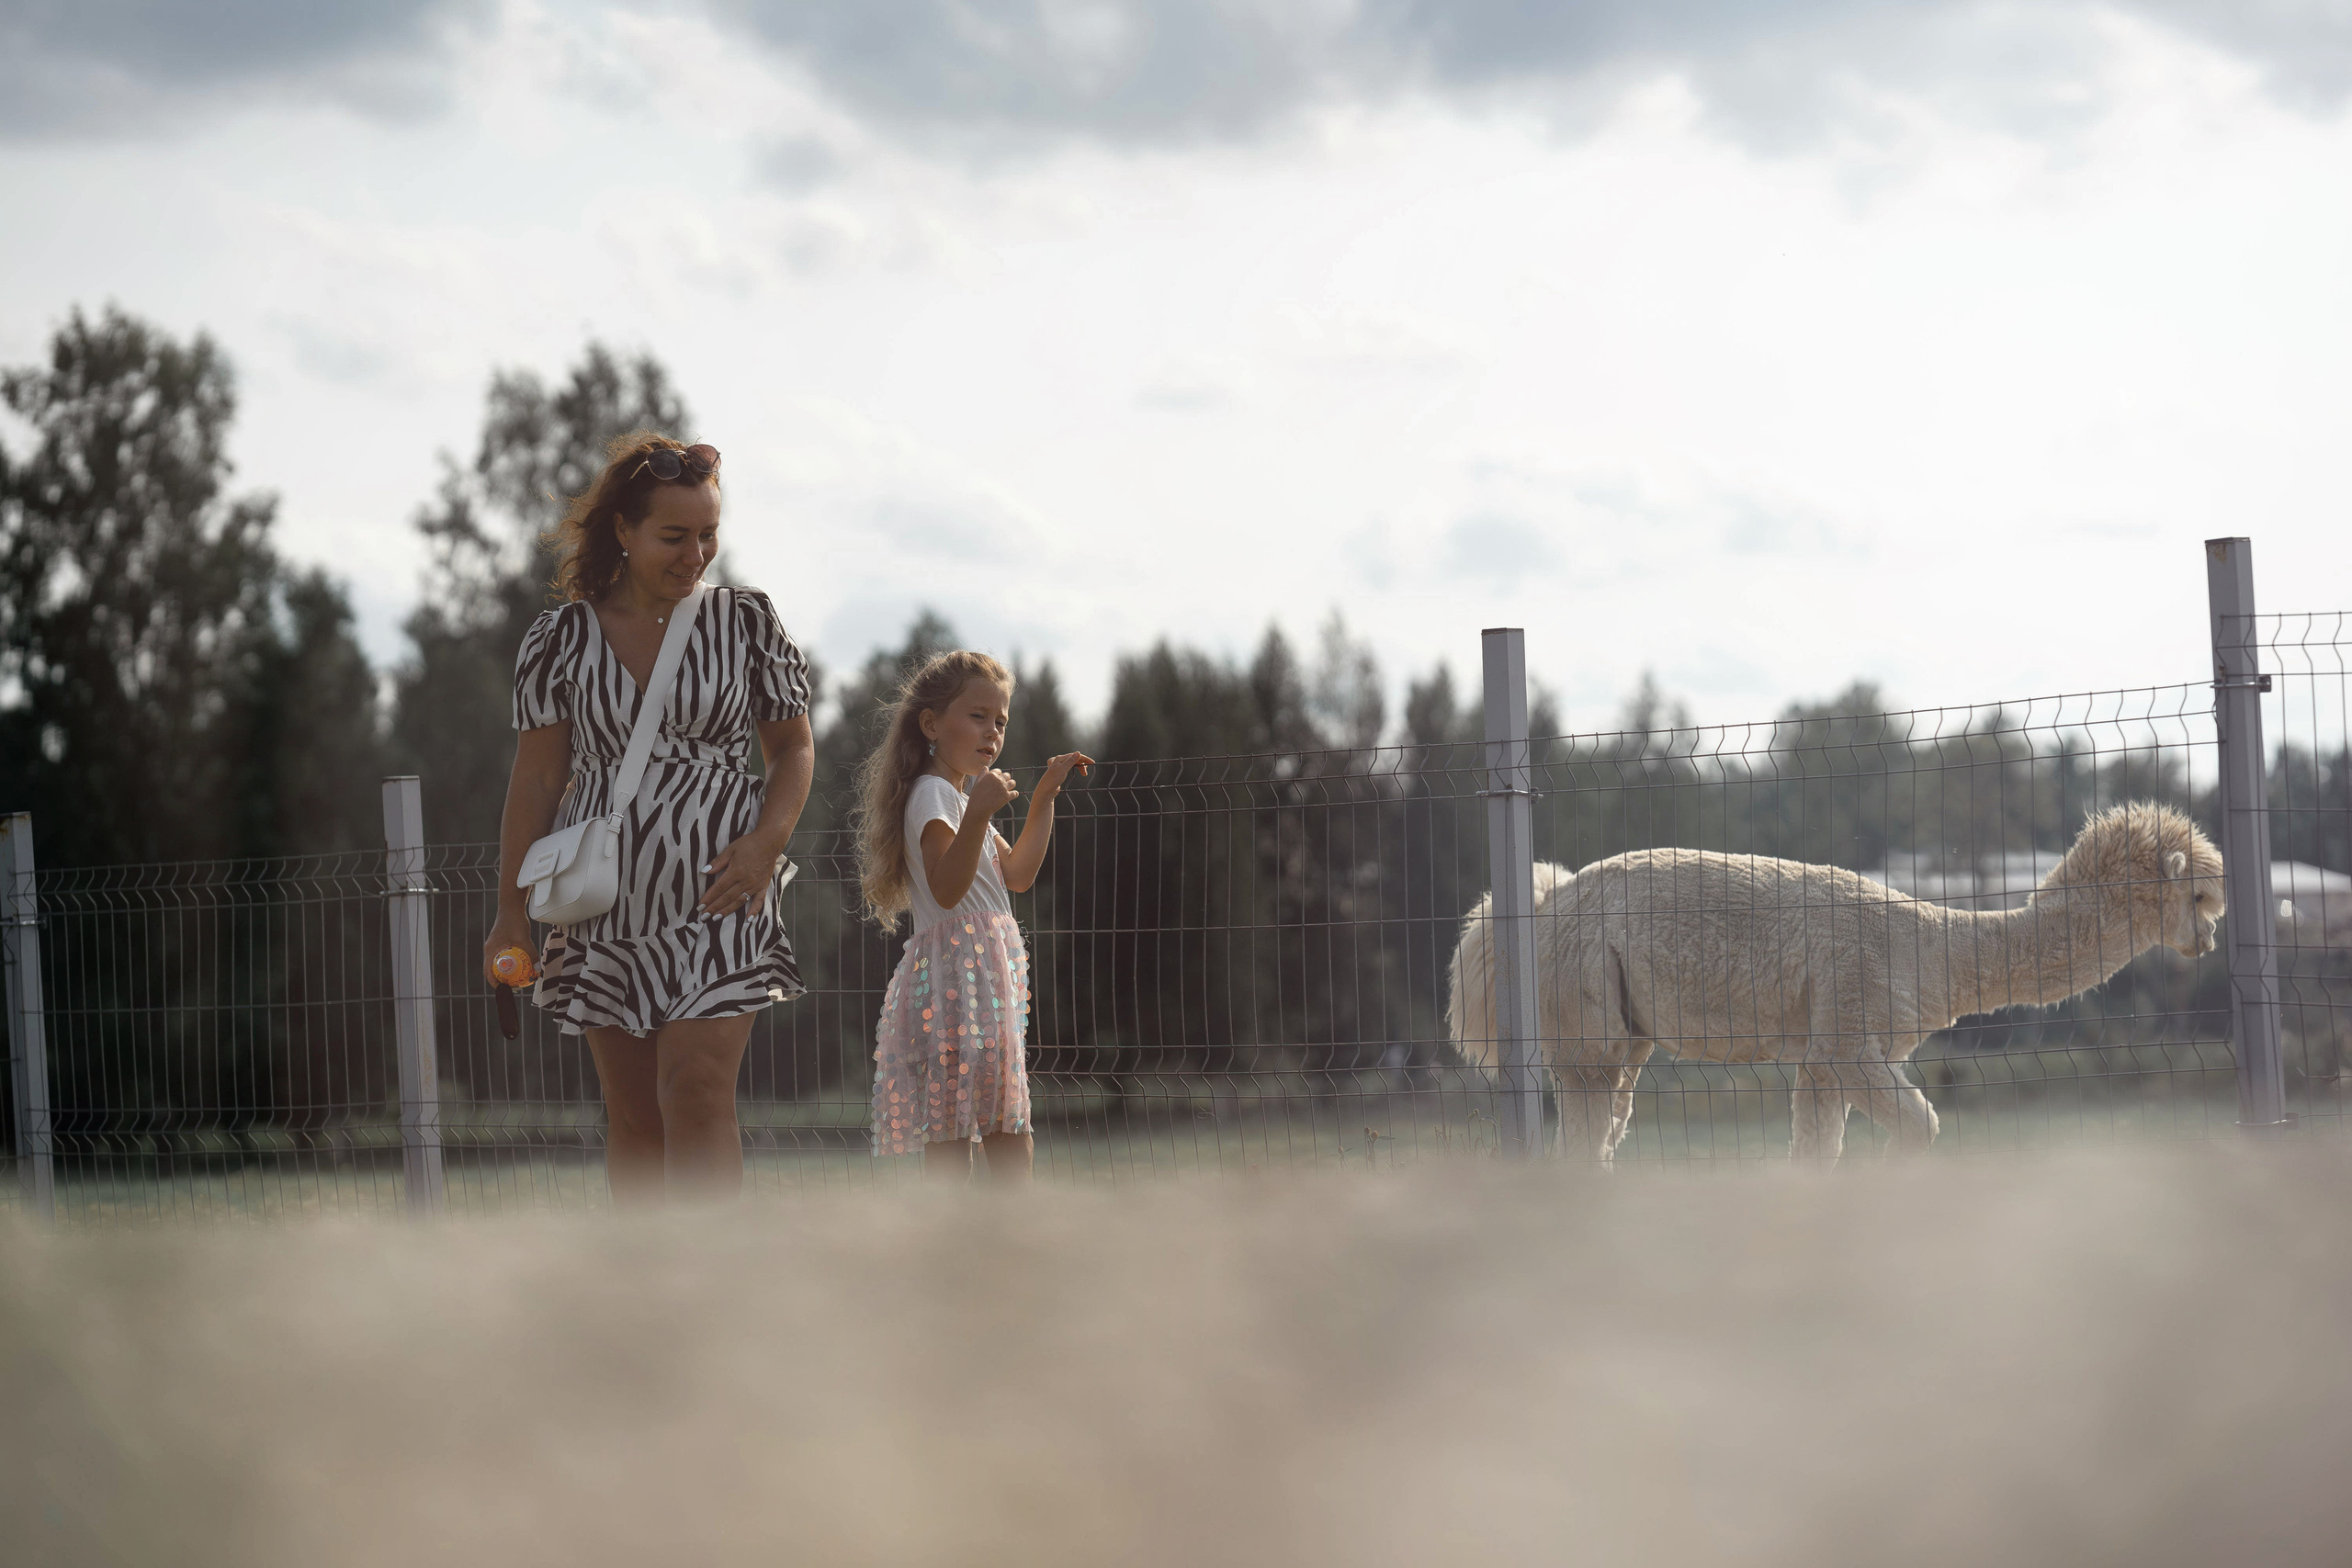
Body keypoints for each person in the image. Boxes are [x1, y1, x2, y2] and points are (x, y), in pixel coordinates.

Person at [483, 434, 815, 1206]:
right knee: (635, 1117)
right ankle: (643, 1272)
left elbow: (794, 749)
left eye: (709, 534)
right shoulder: (559, 640)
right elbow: (537, 778)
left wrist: (765, 847)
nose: (696, 554)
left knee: (695, 1089)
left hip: (722, 893)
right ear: (623, 531)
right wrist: (509, 911)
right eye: (674, 535)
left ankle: (709, 1267)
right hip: (603, 905)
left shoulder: (746, 622)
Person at [854, 651, 1091, 1182]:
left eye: (1001, 721)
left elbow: (1019, 874)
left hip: (977, 977)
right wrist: (980, 810)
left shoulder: (957, 800)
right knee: (991, 1125)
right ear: (931, 724)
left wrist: (1044, 796)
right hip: (959, 976)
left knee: (976, 1120)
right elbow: (946, 889)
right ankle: (1000, 1223)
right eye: (978, 716)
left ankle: (971, 1225)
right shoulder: (935, 794)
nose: (992, 732)